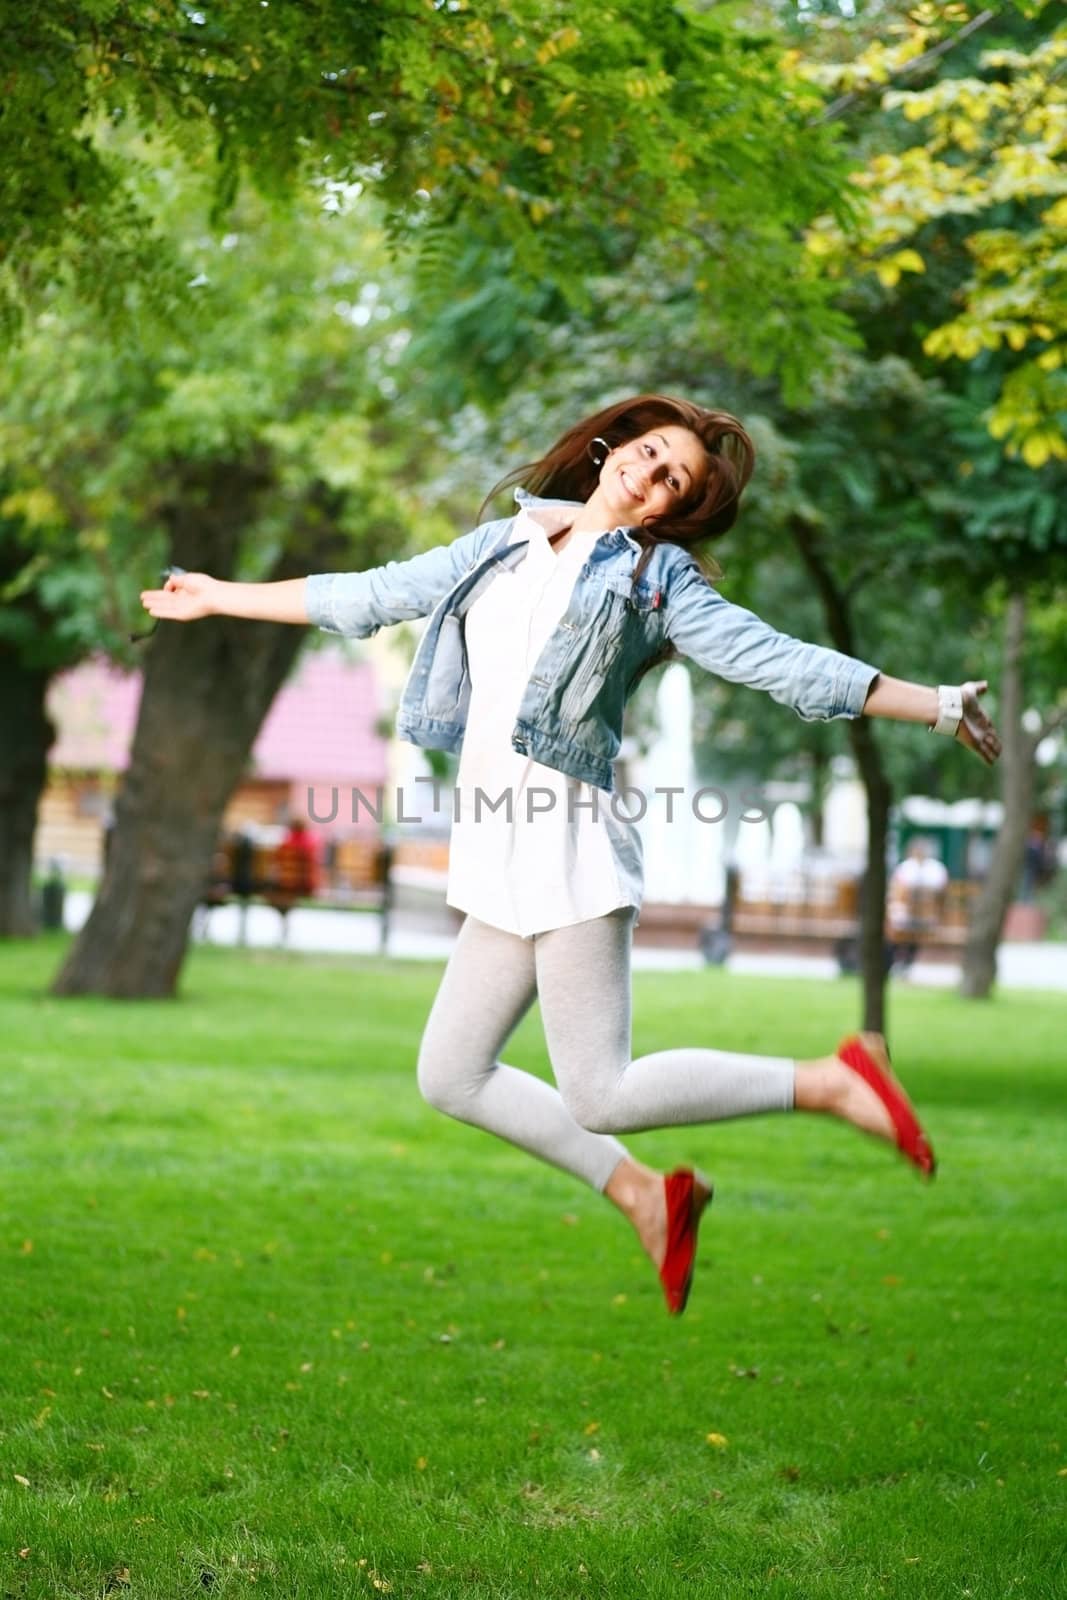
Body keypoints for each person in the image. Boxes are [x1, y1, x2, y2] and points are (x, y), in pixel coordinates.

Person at [140, 393, 1003, 1315]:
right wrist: (217, 597)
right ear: (610, 449)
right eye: (649, 452)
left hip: (567, 847)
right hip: (497, 848)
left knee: (600, 1090)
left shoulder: (656, 583)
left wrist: (934, 703)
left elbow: (771, 658)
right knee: (451, 1073)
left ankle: (831, 1080)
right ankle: (644, 1192)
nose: (650, 474)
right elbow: (369, 594)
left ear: (671, 509)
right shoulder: (502, 546)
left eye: (673, 479)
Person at [887, 836, 949, 973]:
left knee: (910, 932)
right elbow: (898, 890)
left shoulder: (935, 868)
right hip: (906, 914)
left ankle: (906, 960)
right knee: (895, 929)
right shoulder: (905, 867)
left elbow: (940, 891)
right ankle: (896, 960)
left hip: (928, 914)